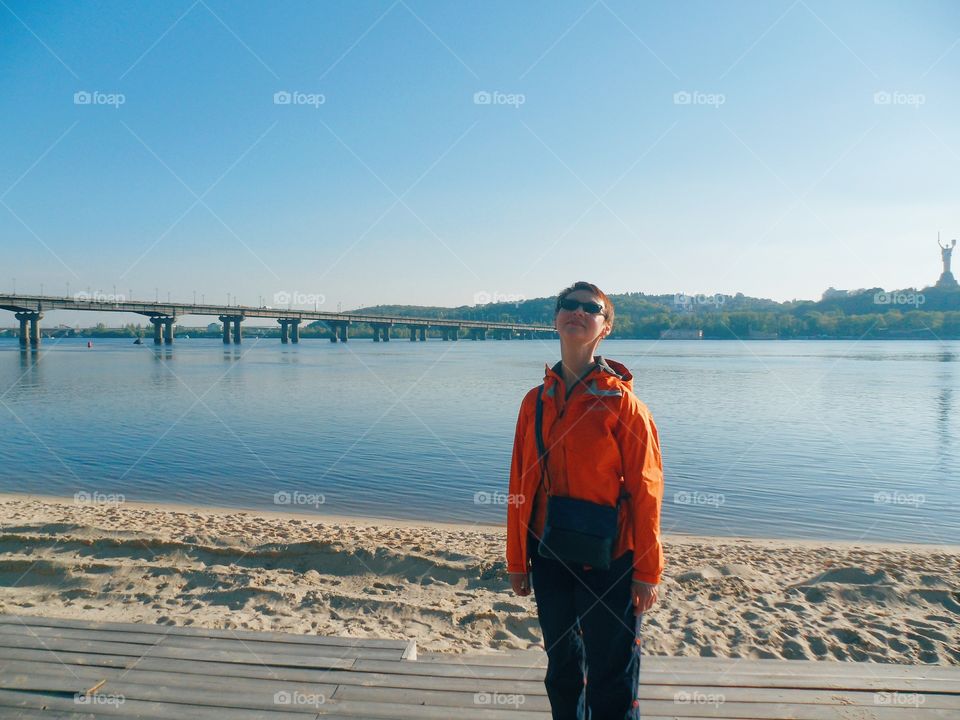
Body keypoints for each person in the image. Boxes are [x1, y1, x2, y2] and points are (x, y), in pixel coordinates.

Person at [506, 281, 664, 720]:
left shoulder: (625, 406)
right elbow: (521, 483)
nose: (576, 312)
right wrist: (518, 560)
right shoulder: (534, 402)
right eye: (567, 306)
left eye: (590, 308)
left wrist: (647, 571)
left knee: (611, 676)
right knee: (562, 671)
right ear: (555, 319)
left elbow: (647, 491)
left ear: (605, 327)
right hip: (550, 552)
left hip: (610, 558)